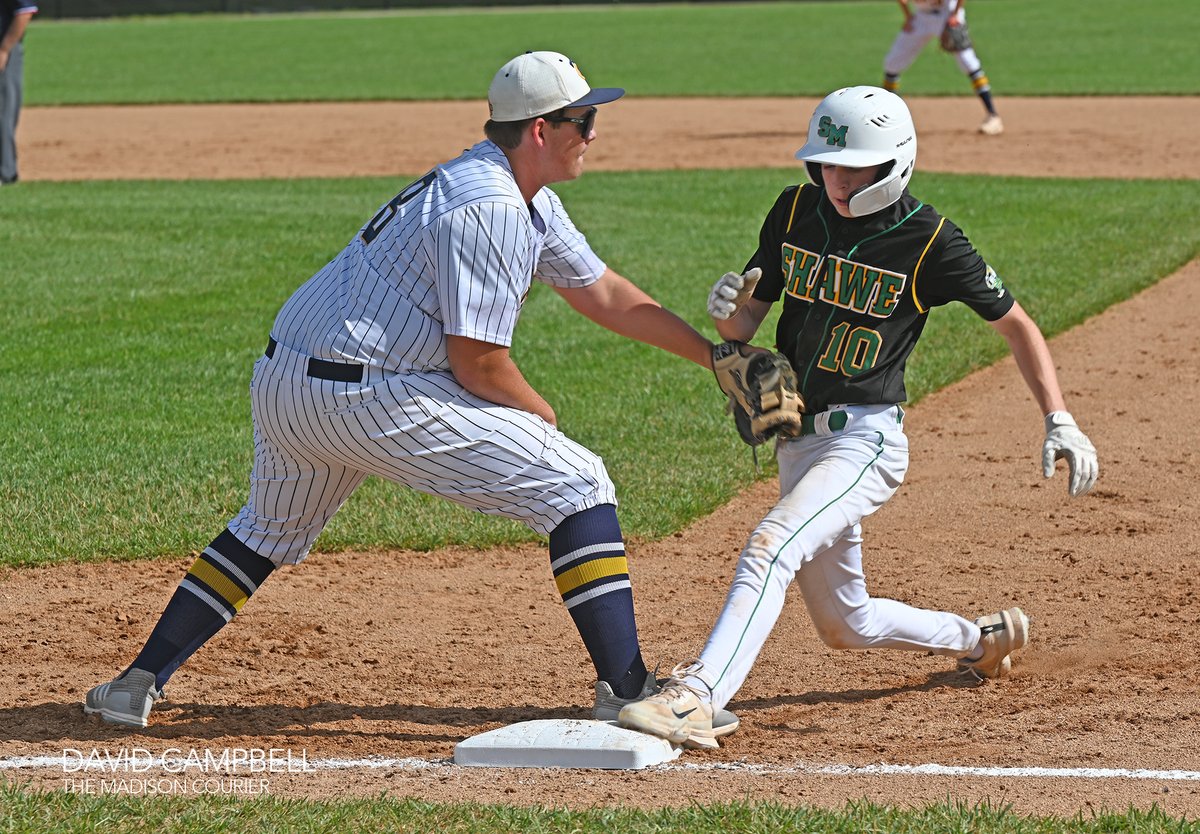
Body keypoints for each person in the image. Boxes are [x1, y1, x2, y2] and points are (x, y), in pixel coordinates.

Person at [83, 50, 738, 738]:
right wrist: (539, 412)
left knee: (266, 530)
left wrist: (714, 356)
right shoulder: (490, 208)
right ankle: (630, 692)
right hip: (366, 396)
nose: (594, 133)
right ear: (541, 130)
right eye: (584, 119)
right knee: (578, 485)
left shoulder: (511, 190)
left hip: (289, 383)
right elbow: (479, 364)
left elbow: (600, 291)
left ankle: (133, 685)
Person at [618, 86, 1097, 750]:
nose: (838, 180)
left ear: (894, 163)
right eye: (828, 165)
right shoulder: (795, 209)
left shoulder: (930, 240)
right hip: (796, 438)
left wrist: (1059, 417)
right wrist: (726, 307)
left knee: (770, 546)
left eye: (856, 167)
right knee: (848, 625)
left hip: (863, 442)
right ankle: (979, 639)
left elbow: (1017, 326)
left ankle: (694, 698)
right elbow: (746, 322)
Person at [882, 0, 1003, 136]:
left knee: (969, 63)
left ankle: (993, 116)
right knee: (891, 63)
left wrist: (955, 15)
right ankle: (887, 118)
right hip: (921, 17)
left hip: (947, 14)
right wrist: (908, 17)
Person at [0, 0, 35, 184]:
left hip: (4, 52)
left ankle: (5, 173)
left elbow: (25, 11)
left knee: (2, 113)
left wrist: (5, 48)